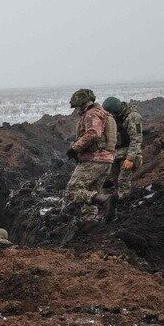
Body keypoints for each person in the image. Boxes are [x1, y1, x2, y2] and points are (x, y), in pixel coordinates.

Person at [63, 89, 118, 225]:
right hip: (106, 160)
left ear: (82, 103)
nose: (76, 110)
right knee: (90, 192)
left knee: (72, 191)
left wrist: (75, 148)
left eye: (77, 107)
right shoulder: (104, 114)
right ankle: (89, 222)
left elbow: (94, 133)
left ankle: (105, 200)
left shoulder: (92, 114)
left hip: (94, 160)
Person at [102, 96, 144, 198]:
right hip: (116, 155)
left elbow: (136, 139)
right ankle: (116, 200)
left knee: (123, 180)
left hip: (131, 155)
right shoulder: (115, 118)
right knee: (113, 180)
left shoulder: (133, 117)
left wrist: (130, 159)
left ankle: (124, 202)